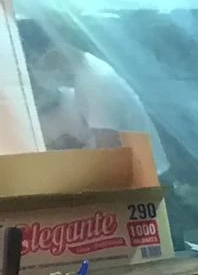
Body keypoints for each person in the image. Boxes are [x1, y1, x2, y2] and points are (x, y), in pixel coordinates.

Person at [19, 20, 169, 176]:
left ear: (50, 55)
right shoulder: (88, 66)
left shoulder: (93, 85)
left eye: (32, 65)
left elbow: (108, 152)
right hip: (138, 168)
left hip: (137, 175)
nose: (35, 74)